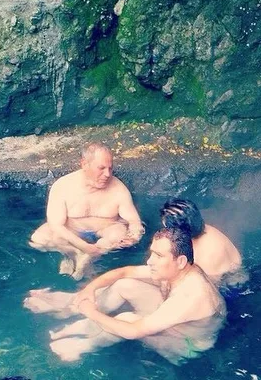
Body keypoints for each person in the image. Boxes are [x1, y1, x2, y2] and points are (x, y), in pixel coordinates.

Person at [24, 228, 226, 364]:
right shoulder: (179, 269)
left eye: (158, 256)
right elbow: (125, 272)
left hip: (187, 344)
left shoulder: (190, 296)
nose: (150, 261)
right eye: (151, 253)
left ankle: (81, 346)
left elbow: (133, 331)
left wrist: (92, 312)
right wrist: (88, 290)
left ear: (181, 261)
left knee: (127, 319)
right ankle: (72, 308)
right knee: (124, 285)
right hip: (175, 320)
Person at [29, 143, 144, 280]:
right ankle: (74, 254)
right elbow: (55, 224)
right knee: (38, 239)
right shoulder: (63, 186)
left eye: (110, 168)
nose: (107, 174)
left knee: (118, 234)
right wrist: (82, 246)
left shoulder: (118, 189)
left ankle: (88, 258)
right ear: (84, 164)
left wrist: (134, 237)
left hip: (106, 229)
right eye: (101, 168)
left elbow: (134, 221)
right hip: (73, 229)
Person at [160, 198, 246, 289]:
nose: (166, 231)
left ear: (181, 231)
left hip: (231, 287)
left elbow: (206, 288)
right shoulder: (199, 228)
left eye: (167, 228)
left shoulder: (208, 256)